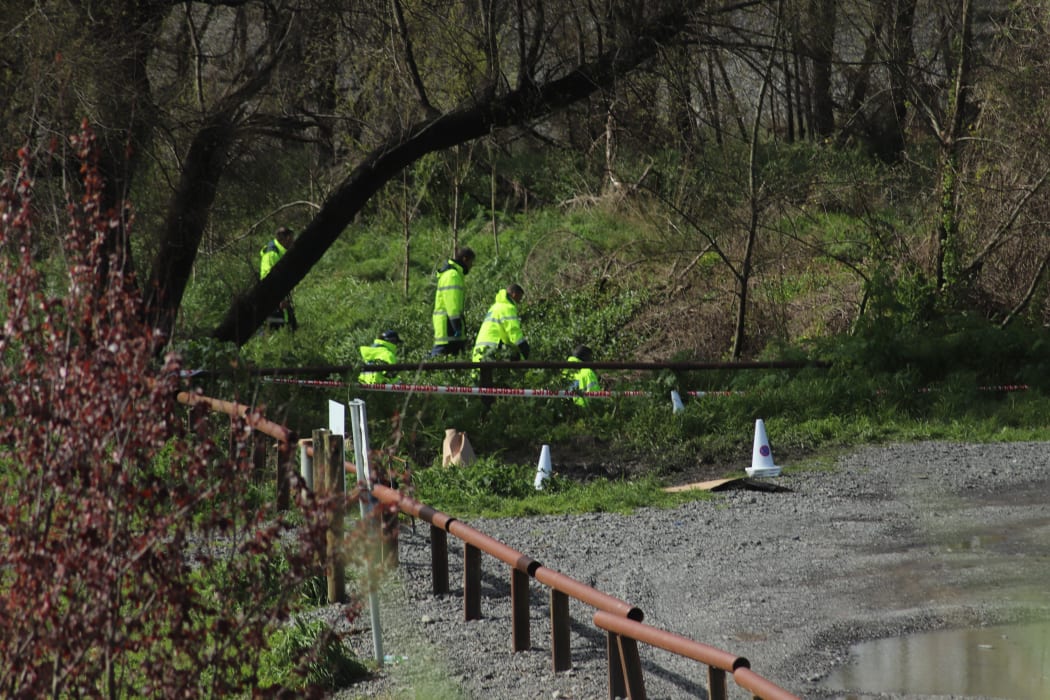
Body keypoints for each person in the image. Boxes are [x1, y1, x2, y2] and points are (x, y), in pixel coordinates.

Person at [430, 247, 476, 356]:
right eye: (471, 262)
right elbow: (453, 305)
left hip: (446, 328)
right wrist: (457, 327)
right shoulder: (453, 276)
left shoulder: (451, 274)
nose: (471, 265)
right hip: (448, 330)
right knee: (439, 362)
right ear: (465, 259)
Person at [472, 284, 529, 363]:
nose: (519, 301)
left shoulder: (494, 307)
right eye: (520, 298)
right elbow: (513, 330)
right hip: (492, 352)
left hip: (479, 352)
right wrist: (523, 346)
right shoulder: (508, 307)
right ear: (514, 294)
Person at [259, 226, 298, 331]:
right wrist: (279, 298)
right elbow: (267, 278)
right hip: (273, 299)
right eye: (291, 239)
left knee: (291, 327)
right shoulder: (271, 253)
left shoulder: (281, 252)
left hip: (282, 297)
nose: (293, 241)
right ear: (285, 239)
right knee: (274, 328)